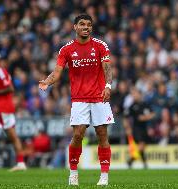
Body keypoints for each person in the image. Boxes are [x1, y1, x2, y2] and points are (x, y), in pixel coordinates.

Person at [39, 14, 114, 186]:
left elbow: (107, 69)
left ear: (91, 28)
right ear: (75, 27)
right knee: (78, 134)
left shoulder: (100, 45)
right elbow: (57, 73)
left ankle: (104, 176)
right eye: (82, 24)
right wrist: (47, 81)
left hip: (99, 97)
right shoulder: (66, 50)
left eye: (88, 24)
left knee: (102, 135)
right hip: (79, 99)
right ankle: (73, 173)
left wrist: (108, 86)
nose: (86, 27)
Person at [123, 88, 155, 169]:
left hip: (145, 128)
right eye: (133, 94)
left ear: (140, 95)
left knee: (143, 147)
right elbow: (126, 117)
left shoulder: (145, 104)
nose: (134, 96)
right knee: (141, 145)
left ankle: (133, 161)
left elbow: (153, 114)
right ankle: (136, 162)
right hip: (136, 129)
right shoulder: (132, 106)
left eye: (135, 94)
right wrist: (127, 128)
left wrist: (145, 117)